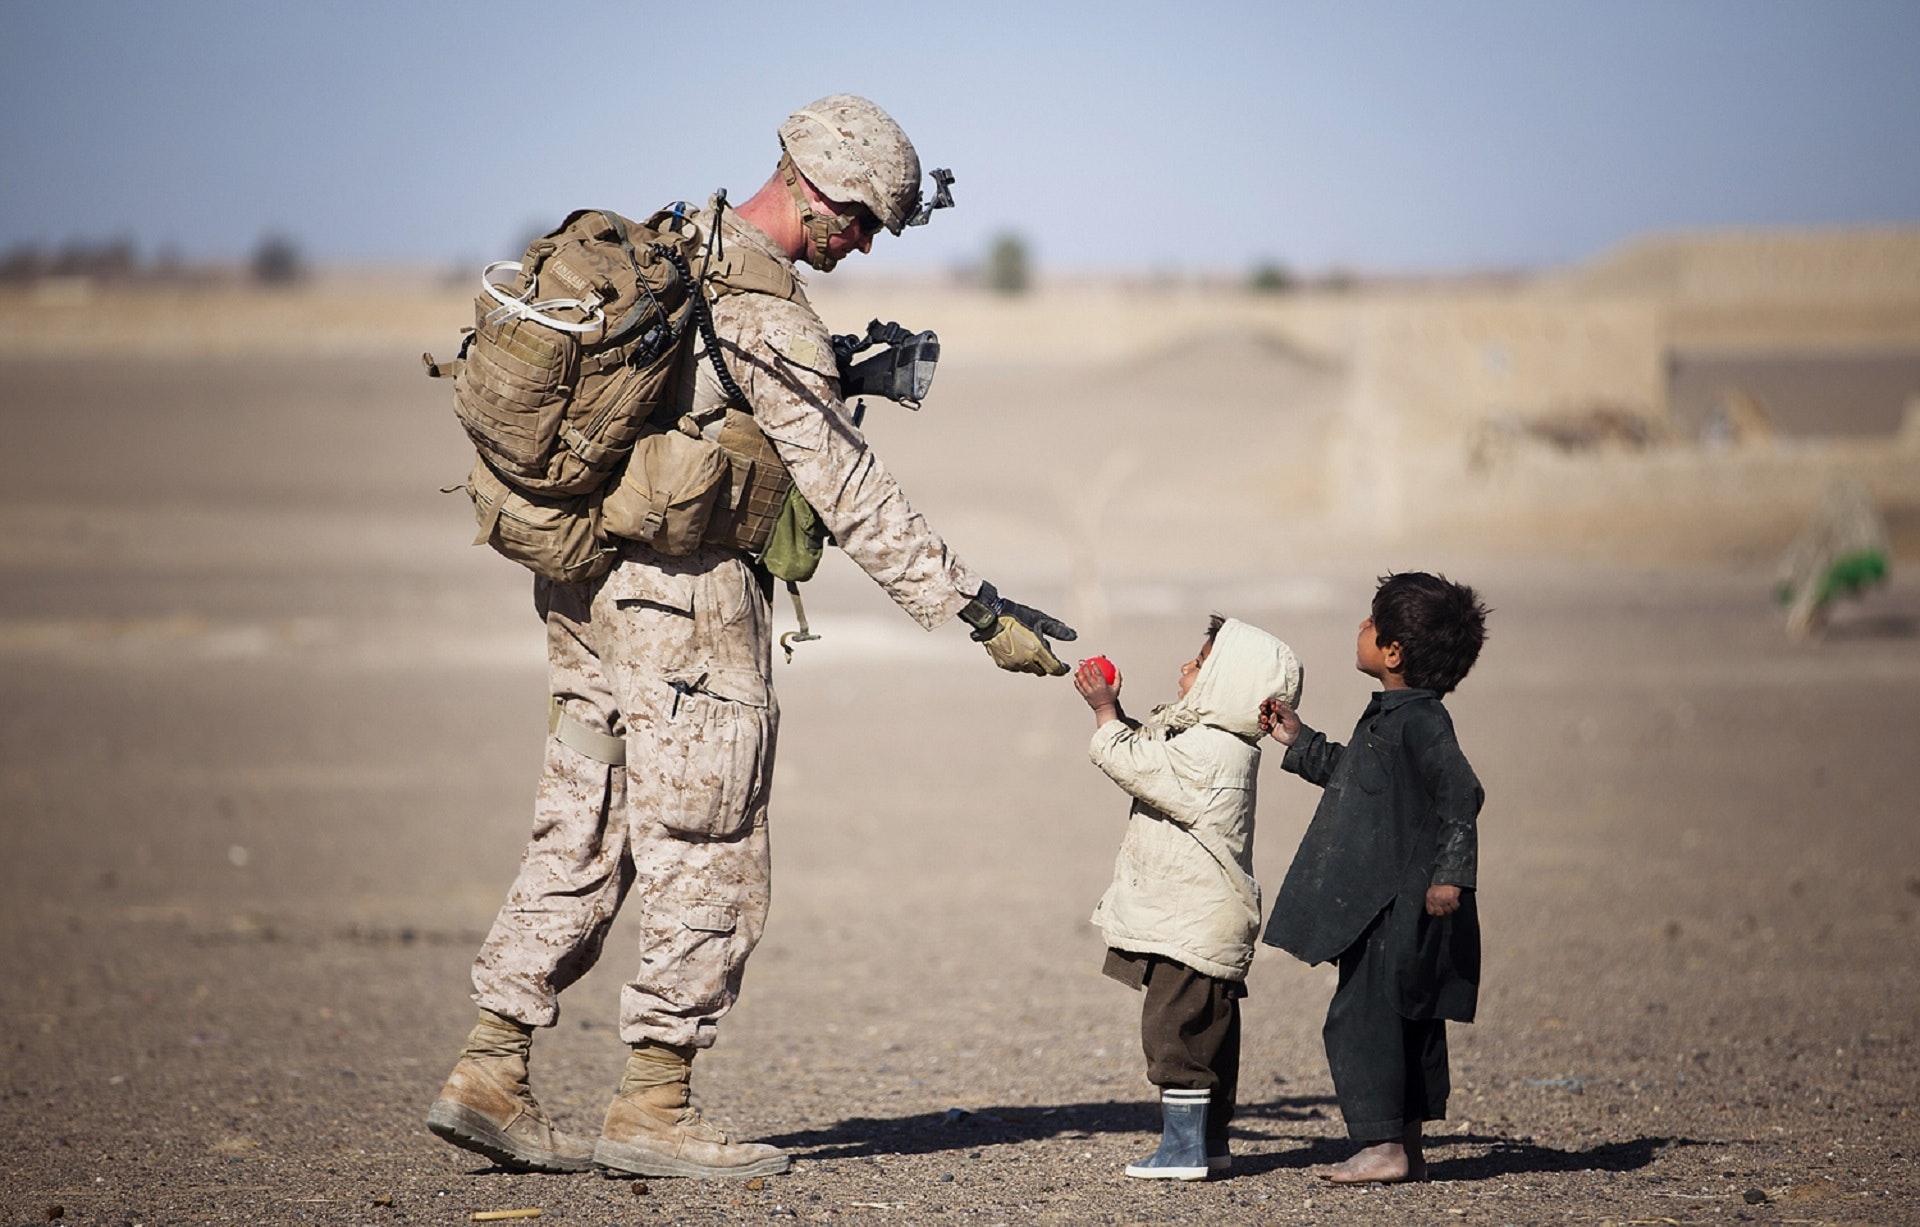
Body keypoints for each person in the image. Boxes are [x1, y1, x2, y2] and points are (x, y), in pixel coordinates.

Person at [426, 95, 1076, 1182]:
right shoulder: (764, 309)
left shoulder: (680, 246)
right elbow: (850, 490)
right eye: (862, 221)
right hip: (686, 608)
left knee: (582, 821)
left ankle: (491, 1068)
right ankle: (654, 1105)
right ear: (815, 188)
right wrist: (976, 608)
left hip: (586, 589)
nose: (862, 245)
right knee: (710, 846)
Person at [1259, 572, 1488, 1185]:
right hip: (1381, 903)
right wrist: (1299, 741)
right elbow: (1357, 779)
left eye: (1370, 622)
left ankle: (1382, 1147)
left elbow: (1460, 792)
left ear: (1393, 653)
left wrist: (1451, 876)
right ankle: (1404, 1146)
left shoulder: (1422, 723)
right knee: (1401, 1014)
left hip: (1401, 904)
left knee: (1366, 1018)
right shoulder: (1391, 715)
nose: (1360, 627)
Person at [1073, 617, 1303, 1180]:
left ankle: (1182, 1150)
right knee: (1211, 1036)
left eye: (1199, 663)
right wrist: (1119, 712)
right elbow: (1153, 752)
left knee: (1174, 1032)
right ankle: (1212, 1143)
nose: (1185, 668)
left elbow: (1134, 762)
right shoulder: (1214, 744)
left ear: (1229, 683)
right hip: (1203, 919)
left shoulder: (1210, 752)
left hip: (1192, 923)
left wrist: (1104, 712)